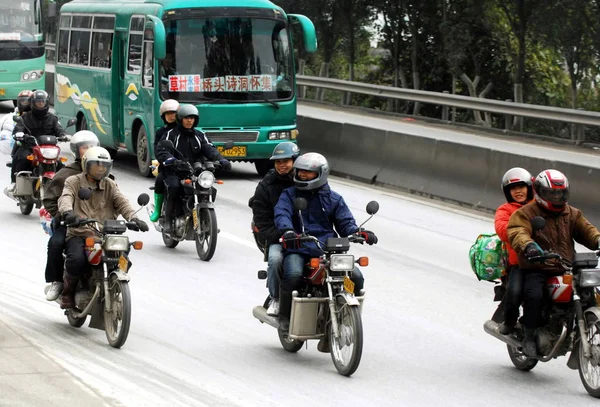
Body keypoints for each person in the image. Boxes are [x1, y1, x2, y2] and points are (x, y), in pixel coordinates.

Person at [274, 152, 378, 350]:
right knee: (294, 273)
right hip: (299, 245)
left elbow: (346, 222)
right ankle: (285, 317)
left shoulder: (333, 199)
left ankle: (344, 317)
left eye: (308, 173)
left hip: (327, 249)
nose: (302, 175)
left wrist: (359, 233)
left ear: (320, 174)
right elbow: (282, 214)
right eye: (300, 172)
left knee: (356, 276)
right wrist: (288, 231)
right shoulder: (289, 195)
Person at [507, 169, 600, 357]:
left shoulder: (572, 213)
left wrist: (598, 240)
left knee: (589, 293)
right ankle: (530, 336)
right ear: (540, 192)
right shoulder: (526, 213)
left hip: (566, 266)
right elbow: (517, 231)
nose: (557, 197)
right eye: (552, 193)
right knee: (534, 295)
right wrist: (529, 246)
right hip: (538, 267)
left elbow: (587, 231)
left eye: (561, 192)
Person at [57, 147, 149, 309]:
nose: (100, 169)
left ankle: (115, 285)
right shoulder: (74, 181)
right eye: (96, 165)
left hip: (106, 235)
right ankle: (68, 293)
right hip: (80, 233)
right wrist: (68, 213)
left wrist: (134, 218)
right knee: (77, 260)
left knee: (124, 254)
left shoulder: (110, 184)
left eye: (104, 165)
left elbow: (122, 202)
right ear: (86, 165)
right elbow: (65, 197)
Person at [41, 131, 100, 301]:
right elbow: (50, 200)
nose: (88, 150)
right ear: (76, 150)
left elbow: (114, 198)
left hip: (95, 224)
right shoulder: (66, 174)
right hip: (68, 223)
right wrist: (64, 215)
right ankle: (57, 281)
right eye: (84, 147)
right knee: (56, 244)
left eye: (91, 146)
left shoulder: (102, 171)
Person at [154, 104, 231, 233]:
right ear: (180, 119)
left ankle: (206, 219)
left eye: (192, 118)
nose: (189, 120)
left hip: (195, 171)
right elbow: (162, 150)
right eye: (186, 118)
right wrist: (172, 161)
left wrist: (221, 159)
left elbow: (209, 148)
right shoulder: (171, 134)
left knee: (210, 189)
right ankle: (167, 220)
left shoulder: (199, 135)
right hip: (175, 171)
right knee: (174, 187)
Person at [248, 142, 300, 316]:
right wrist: (280, 235)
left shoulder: (307, 180)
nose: (281, 165)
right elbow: (261, 220)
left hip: (306, 236)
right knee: (276, 260)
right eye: (278, 162)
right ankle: (276, 297)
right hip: (278, 236)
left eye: (286, 161)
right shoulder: (266, 185)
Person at [494, 168, 534, 333]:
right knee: (515, 293)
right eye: (513, 188)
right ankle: (510, 323)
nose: (517, 191)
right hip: (520, 263)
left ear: (529, 187)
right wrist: (522, 228)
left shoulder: (540, 206)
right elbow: (503, 230)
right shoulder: (505, 210)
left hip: (546, 261)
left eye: (521, 186)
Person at [8, 90, 66, 192]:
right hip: (30, 147)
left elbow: (59, 129)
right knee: (21, 157)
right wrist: (20, 134)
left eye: (42, 101)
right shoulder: (25, 117)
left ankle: (64, 186)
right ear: (33, 103)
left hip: (48, 149)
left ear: (46, 103)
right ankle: (14, 183)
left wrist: (64, 136)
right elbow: (19, 128)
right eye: (38, 102)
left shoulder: (52, 118)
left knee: (60, 163)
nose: (40, 104)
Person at [149, 99, 180, 222]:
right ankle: (158, 209)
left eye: (174, 113)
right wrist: (167, 159)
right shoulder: (161, 132)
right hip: (168, 167)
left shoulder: (184, 130)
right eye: (168, 114)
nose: (171, 116)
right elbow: (158, 149)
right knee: (160, 180)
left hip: (185, 167)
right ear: (163, 116)